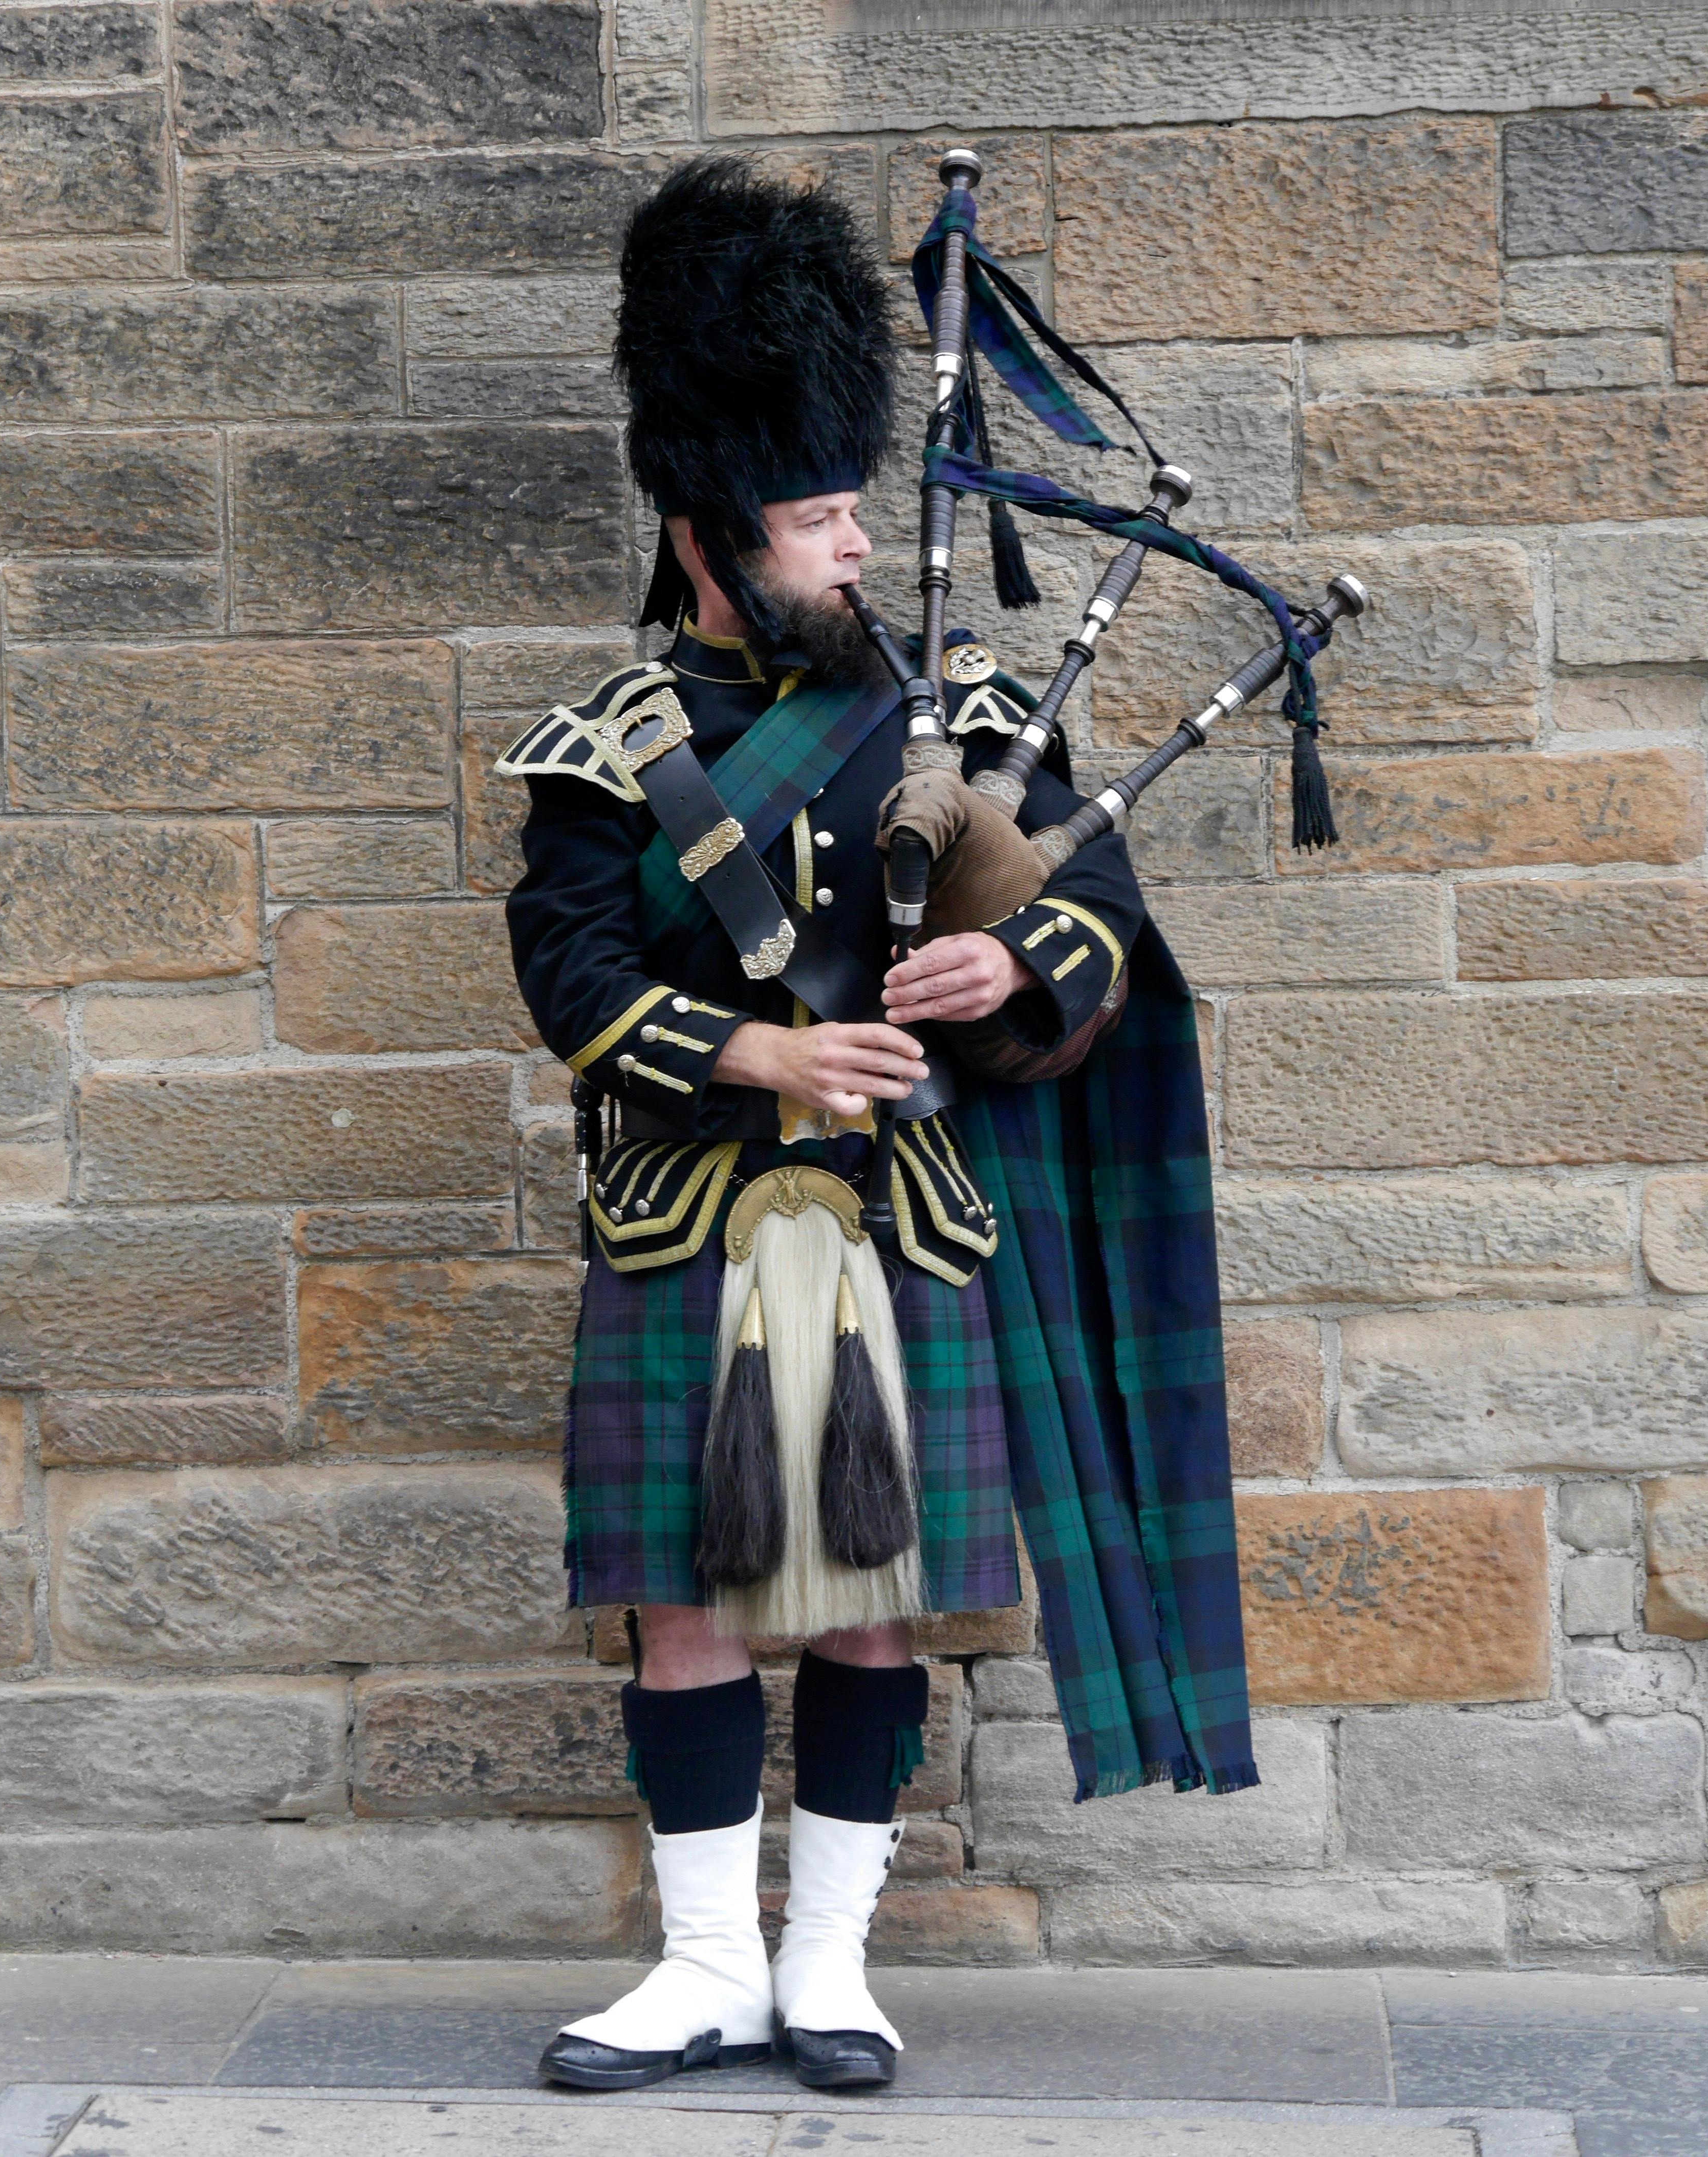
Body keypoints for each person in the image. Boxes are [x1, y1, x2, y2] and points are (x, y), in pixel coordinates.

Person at [500, 157, 1255, 2099]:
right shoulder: (606, 750)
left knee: (872, 1602)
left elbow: (1100, 904)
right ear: (709, 534)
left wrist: (1016, 966)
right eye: (814, 516)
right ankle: (703, 1970)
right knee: (683, 1603)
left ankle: (829, 1965)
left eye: (857, 508)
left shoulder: (963, 706)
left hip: (903, 1213)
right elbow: (570, 976)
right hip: (687, 1217)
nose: (856, 541)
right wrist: (761, 1057)